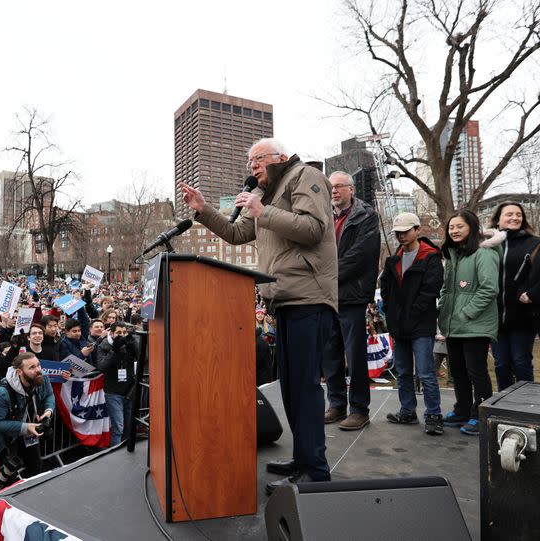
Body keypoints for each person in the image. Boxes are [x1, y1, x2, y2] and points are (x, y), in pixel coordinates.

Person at [180, 137, 337, 489]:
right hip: (283, 299)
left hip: (308, 298)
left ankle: (315, 468)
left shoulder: (304, 176)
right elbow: (237, 234)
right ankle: (303, 458)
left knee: (305, 387)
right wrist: (205, 210)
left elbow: (314, 229)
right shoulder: (268, 194)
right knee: (292, 389)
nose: (252, 167)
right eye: (249, 162)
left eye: (257, 160)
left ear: (280, 157)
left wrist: (263, 210)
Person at [322, 171, 380, 430]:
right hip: (326, 295)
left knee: (355, 356)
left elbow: (361, 256)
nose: (334, 191)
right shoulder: (322, 216)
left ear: (352, 189)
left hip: (352, 295)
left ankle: (359, 409)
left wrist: (326, 274)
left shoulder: (366, 216)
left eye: (339, 186)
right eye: (330, 187)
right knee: (330, 353)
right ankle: (336, 404)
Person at [379, 213, 445, 435]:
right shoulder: (392, 260)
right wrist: (390, 313)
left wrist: (412, 313)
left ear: (417, 230)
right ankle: (407, 411)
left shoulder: (431, 257)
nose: (401, 236)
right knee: (404, 371)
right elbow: (386, 291)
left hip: (420, 325)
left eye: (406, 231)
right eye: (398, 232)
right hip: (399, 326)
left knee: (426, 372)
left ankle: (434, 414)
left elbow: (431, 291)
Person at [438, 209, 501, 436]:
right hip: (454, 325)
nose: (454, 231)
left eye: (459, 226)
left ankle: (479, 414)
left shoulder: (484, 254)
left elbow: (489, 289)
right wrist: (443, 310)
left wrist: (467, 313)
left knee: (477, 371)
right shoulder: (454, 255)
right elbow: (447, 289)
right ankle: (462, 409)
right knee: (458, 371)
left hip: (475, 324)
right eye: (451, 227)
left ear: (472, 228)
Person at [0, 352, 55, 493]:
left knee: (36, 468)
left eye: (38, 365)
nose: (38, 370)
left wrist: (48, 411)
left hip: (29, 434)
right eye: (32, 367)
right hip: (7, 439)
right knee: (11, 482)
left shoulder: (42, 377)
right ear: (19, 372)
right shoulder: (3, 392)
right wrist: (26, 427)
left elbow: (49, 395)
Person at [489, 201, 539, 390]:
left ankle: (527, 409)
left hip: (523, 316)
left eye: (518, 214)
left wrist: (531, 293)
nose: (515, 217)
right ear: (498, 220)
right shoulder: (488, 245)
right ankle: (504, 408)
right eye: (509, 214)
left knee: (521, 362)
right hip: (494, 318)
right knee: (501, 365)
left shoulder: (534, 243)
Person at [97, 321, 138, 447]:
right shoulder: (103, 345)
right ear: (112, 333)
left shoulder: (128, 344)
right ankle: (115, 453)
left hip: (129, 390)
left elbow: (142, 357)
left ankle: (126, 450)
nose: (122, 335)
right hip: (113, 392)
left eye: (124, 333)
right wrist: (114, 350)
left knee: (129, 425)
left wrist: (133, 345)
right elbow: (101, 366)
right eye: (119, 333)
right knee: (118, 427)